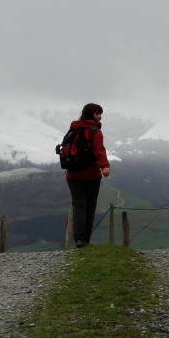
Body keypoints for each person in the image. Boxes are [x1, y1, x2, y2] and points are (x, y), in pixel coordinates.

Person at [66, 103, 110, 247]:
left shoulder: (74, 128)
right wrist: (105, 166)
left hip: (72, 175)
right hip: (91, 176)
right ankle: (85, 240)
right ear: (92, 114)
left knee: (78, 206)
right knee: (90, 206)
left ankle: (78, 239)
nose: (100, 116)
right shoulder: (95, 131)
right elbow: (99, 151)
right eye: (98, 113)